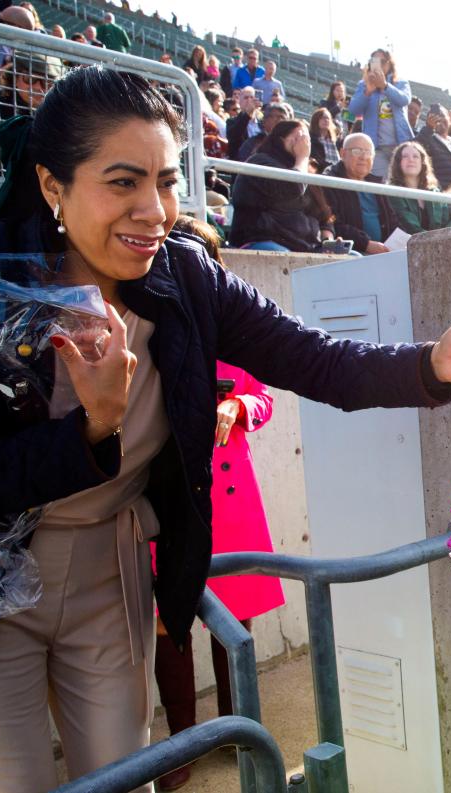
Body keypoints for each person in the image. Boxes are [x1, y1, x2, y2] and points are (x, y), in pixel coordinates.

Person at [0, 64, 451, 793]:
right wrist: (95, 426)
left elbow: (318, 359)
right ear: (53, 186)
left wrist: (433, 363)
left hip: (109, 564)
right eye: (122, 183)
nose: (154, 210)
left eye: (168, 182)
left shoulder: (187, 275)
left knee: (122, 779)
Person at [151, 220, 285, 789]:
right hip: (167, 493)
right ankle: (181, 745)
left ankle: (236, 730)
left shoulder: (234, 331)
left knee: (234, 621)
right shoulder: (148, 324)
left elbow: (261, 395)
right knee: (169, 626)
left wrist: (239, 412)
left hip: (230, 498)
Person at [230, 119, 338, 253]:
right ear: (280, 139)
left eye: (305, 139)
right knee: (283, 256)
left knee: (352, 256)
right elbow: (292, 188)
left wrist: (328, 239)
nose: (303, 144)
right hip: (263, 240)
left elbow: (323, 215)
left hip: (305, 246)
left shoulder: (304, 171)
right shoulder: (259, 162)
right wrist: (302, 158)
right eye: (298, 137)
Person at [0, 51, 61, 174]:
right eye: (30, 78)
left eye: (48, 81)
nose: (38, 87)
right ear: (15, 77)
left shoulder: (60, 117)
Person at [322, 132, 398, 254]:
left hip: (384, 254)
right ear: (342, 154)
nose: (363, 157)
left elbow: (392, 221)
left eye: (368, 153)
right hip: (352, 254)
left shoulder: (378, 185)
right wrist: (365, 244)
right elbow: (332, 221)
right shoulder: (330, 181)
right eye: (357, 151)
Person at [348, 47, 413, 179]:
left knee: (402, 183)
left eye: (383, 61)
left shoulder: (400, 82)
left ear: (390, 64)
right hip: (377, 147)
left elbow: (404, 99)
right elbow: (353, 110)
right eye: (374, 61)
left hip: (400, 144)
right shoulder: (363, 85)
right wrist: (367, 92)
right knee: (381, 184)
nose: (378, 64)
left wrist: (385, 86)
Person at [386, 140, 451, 234]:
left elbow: (448, 222)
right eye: (405, 156)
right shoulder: (393, 192)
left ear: (422, 163)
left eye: (415, 156)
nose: (411, 160)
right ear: (398, 162)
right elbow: (410, 227)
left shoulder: (435, 192)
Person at [415, 102, 451, 192]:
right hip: (439, 195)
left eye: (442, 115)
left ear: (449, 119)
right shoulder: (428, 140)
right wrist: (429, 128)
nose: (439, 119)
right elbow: (414, 148)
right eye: (434, 116)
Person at [226, 85, 260, 161]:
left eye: (252, 97)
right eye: (246, 98)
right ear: (240, 102)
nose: (249, 100)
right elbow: (234, 136)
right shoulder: (232, 121)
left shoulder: (262, 123)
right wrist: (247, 114)